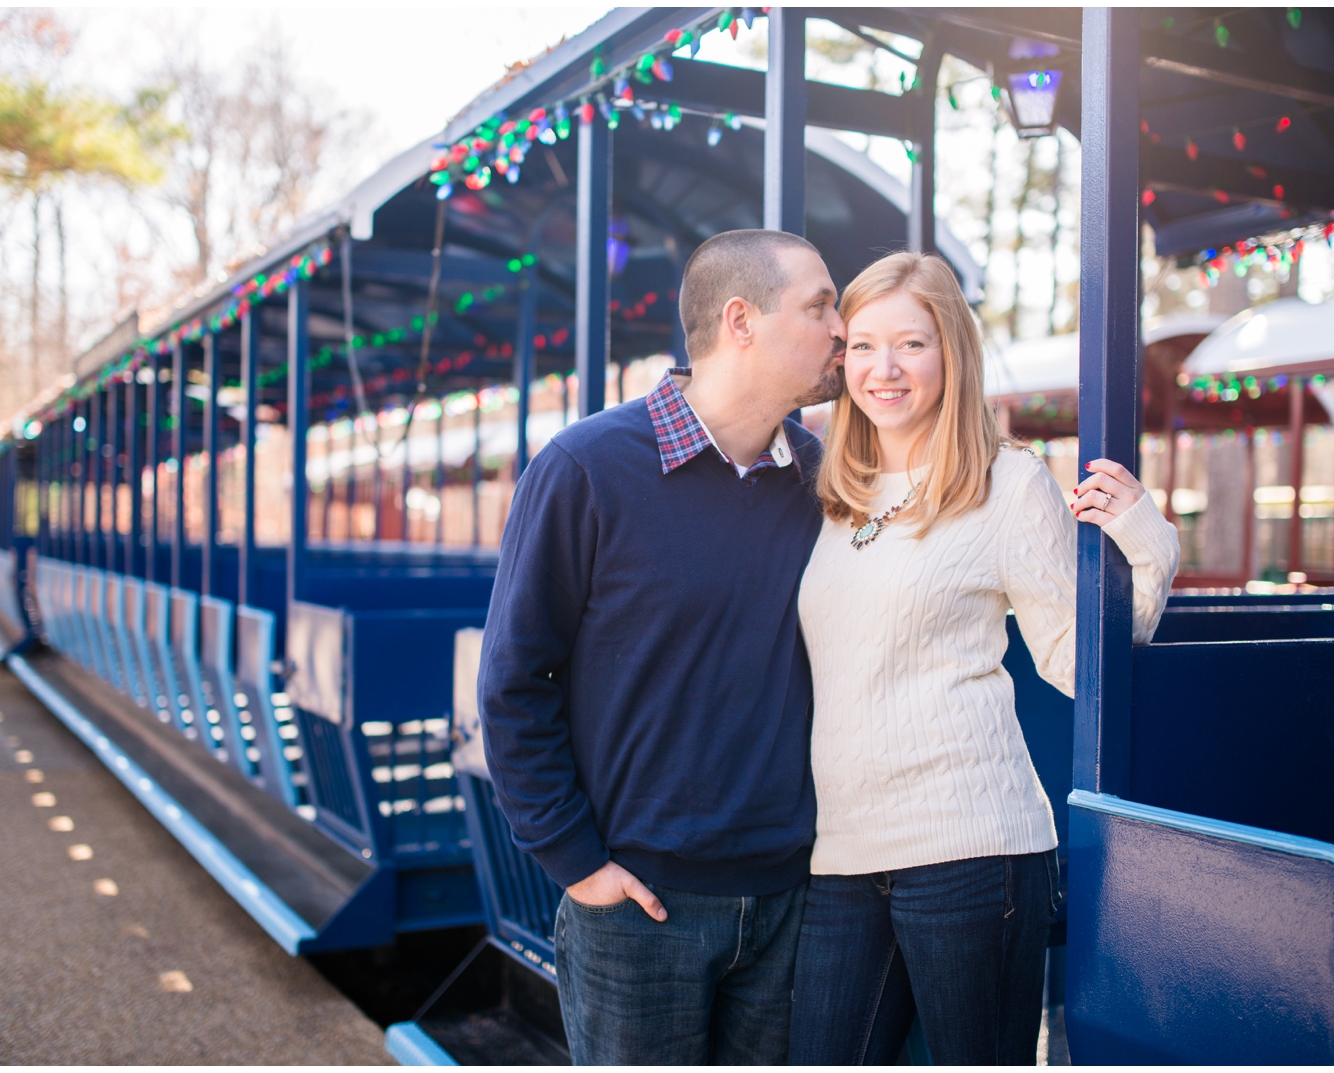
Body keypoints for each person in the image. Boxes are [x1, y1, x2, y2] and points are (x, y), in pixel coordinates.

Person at [789, 251, 1180, 1065]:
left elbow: (1077, 664)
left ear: (951, 354)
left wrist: (1152, 553)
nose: (883, 369)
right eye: (862, 346)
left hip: (972, 853)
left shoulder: (1008, 483)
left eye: (911, 345)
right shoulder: (832, 492)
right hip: (842, 854)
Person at [478, 229, 847, 1064]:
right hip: (639, 907)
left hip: (794, 897)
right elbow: (512, 682)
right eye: (821, 305)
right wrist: (579, 866)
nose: (842, 329)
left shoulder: (826, 480)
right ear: (741, 320)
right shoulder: (586, 469)